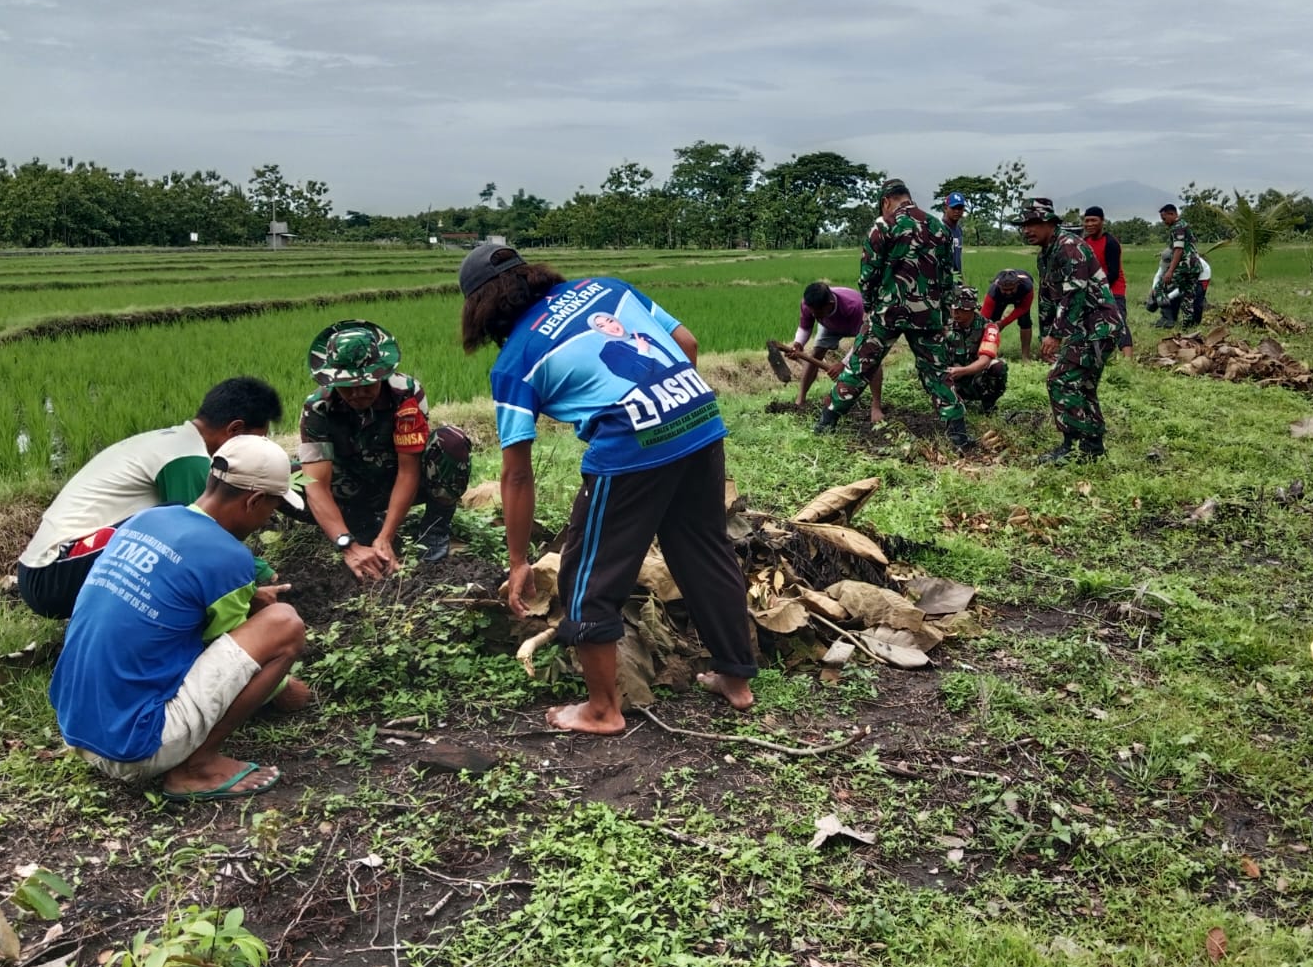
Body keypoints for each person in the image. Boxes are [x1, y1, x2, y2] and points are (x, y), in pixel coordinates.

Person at [458, 247, 758, 735]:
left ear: (479, 310)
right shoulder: (607, 288)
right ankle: (736, 681)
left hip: (630, 444)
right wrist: (669, 406)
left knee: (587, 576)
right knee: (704, 548)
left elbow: (515, 475)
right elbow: (687, 343)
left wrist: (517, 562)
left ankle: (602, 710)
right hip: (699, 416)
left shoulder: (514, 362)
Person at [47, 436, 308, 800]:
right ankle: (197, 768)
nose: (269, 518)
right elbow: (239, 659)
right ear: (253, 501)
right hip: (136, 747)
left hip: (76, 727)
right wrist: (286, 690)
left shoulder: (147, 518)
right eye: (272, 508)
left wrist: (246, 600)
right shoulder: (229, 556)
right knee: (284, 624)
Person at [17, 377, 284, 620]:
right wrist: (258, 578)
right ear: (235, 430)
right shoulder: (187, 457)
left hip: (48, 567)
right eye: (256, 443)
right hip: (52, 574)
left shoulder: (173, 441)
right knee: (181, 521)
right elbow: (209, 538)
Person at [298, 319, 473, 578]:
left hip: (399, 479)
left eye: (367, 384)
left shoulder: (405, 393)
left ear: (381, 374)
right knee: (287, 477)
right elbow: (316, 485)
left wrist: (387, 536)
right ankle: (362, 526)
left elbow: (408, 470)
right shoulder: (317, 408)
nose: (358, 393)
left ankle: (434, 528)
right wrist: (347, 545)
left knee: (451, 442)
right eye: (348, 387)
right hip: (353, 488)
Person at [815, 179, 970, 453]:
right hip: (928, 315)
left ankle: (825, 425)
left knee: (859, 367)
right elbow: (948, 278)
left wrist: (870, 308)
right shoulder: (939, 227)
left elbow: (868, 276)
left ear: (886, 201)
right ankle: (958, 436)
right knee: (937, 373)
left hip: (888, 313)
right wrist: (944, 316)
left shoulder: (883, 226)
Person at [1018, 200, 1125, 462]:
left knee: (1061, 381)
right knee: (1083, 385)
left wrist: (1057, 335)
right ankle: (1092, 446)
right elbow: (1046, 297)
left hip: (1097, 326)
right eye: (1025, 225)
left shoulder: (1070, 247)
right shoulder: (1046, 254)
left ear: (1051, 224)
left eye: (1034, 223)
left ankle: (1072, 446)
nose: (1027, 230)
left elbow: (1074, 294)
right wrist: (1046, 335)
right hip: (1084, 328)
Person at [788, 282, 884, 422]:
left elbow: (863, 339)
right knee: (816, 354)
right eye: (812, 313)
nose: (814, 315)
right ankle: (800, 400)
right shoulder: (809, 304)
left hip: (860, 326)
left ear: (830, 304)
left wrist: (843, 364)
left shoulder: (855, 307)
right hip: (829, 326)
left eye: (818, 313)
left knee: (871, 358)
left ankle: (876, 406)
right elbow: (805, 327)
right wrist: (798, 343)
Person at [944, 285, 1008, 413]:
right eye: (953, 308)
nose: (956, 312)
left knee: (998, 366)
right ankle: (946, 401)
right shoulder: (944, 326)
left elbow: (985, 360)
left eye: (961, 309)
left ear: (973, 309)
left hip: (975, 379)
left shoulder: (989, 327)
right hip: (949, 377)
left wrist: (962, 371)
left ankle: (988, 405)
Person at [1081, 206, 1133, 360]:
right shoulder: (1085, 242)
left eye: (1094, 220)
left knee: (1118, 321)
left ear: (1102, 221)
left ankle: (1128, 358)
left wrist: (1098, 288)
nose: (1090, 224)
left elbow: (1114, 273)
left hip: (1114, 289)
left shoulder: (1110, 242)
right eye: (1087, 221)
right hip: (1093, 289)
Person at [1151, 203, 1203, 329]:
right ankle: (1187, 326)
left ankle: (1167, 318)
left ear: (1172, 214)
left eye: (1164, 218)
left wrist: (1170, 271)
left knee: (1159, 288)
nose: (1164, 222)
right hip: (1195, 267)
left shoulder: (1177, 228)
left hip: (1184, 267)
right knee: (1188, 296)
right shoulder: (1184, 224)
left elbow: (1178, 250)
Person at [981, 268, 1036, 361]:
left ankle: (1025, 356)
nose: (1008, 292)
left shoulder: (1027, 286)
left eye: (1011, 289)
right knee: (991, 324)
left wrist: (1003, 323)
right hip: (999, 299)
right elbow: (983, 318)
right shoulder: (993, 292)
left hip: (1021, 296)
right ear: (999, 286)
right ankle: (990, 353)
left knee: (1025, 321)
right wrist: (990, 326)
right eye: (1005, 290)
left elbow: (1023, 308)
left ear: (1017, 284)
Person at [943, 192, 968, 274]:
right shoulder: (940, 229)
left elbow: (957, 258)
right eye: (953, 208)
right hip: (943, 277)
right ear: (946, 208)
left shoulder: (959, 230)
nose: (957, 211)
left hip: (956, 277)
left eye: (960, 208)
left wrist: (960, 277)